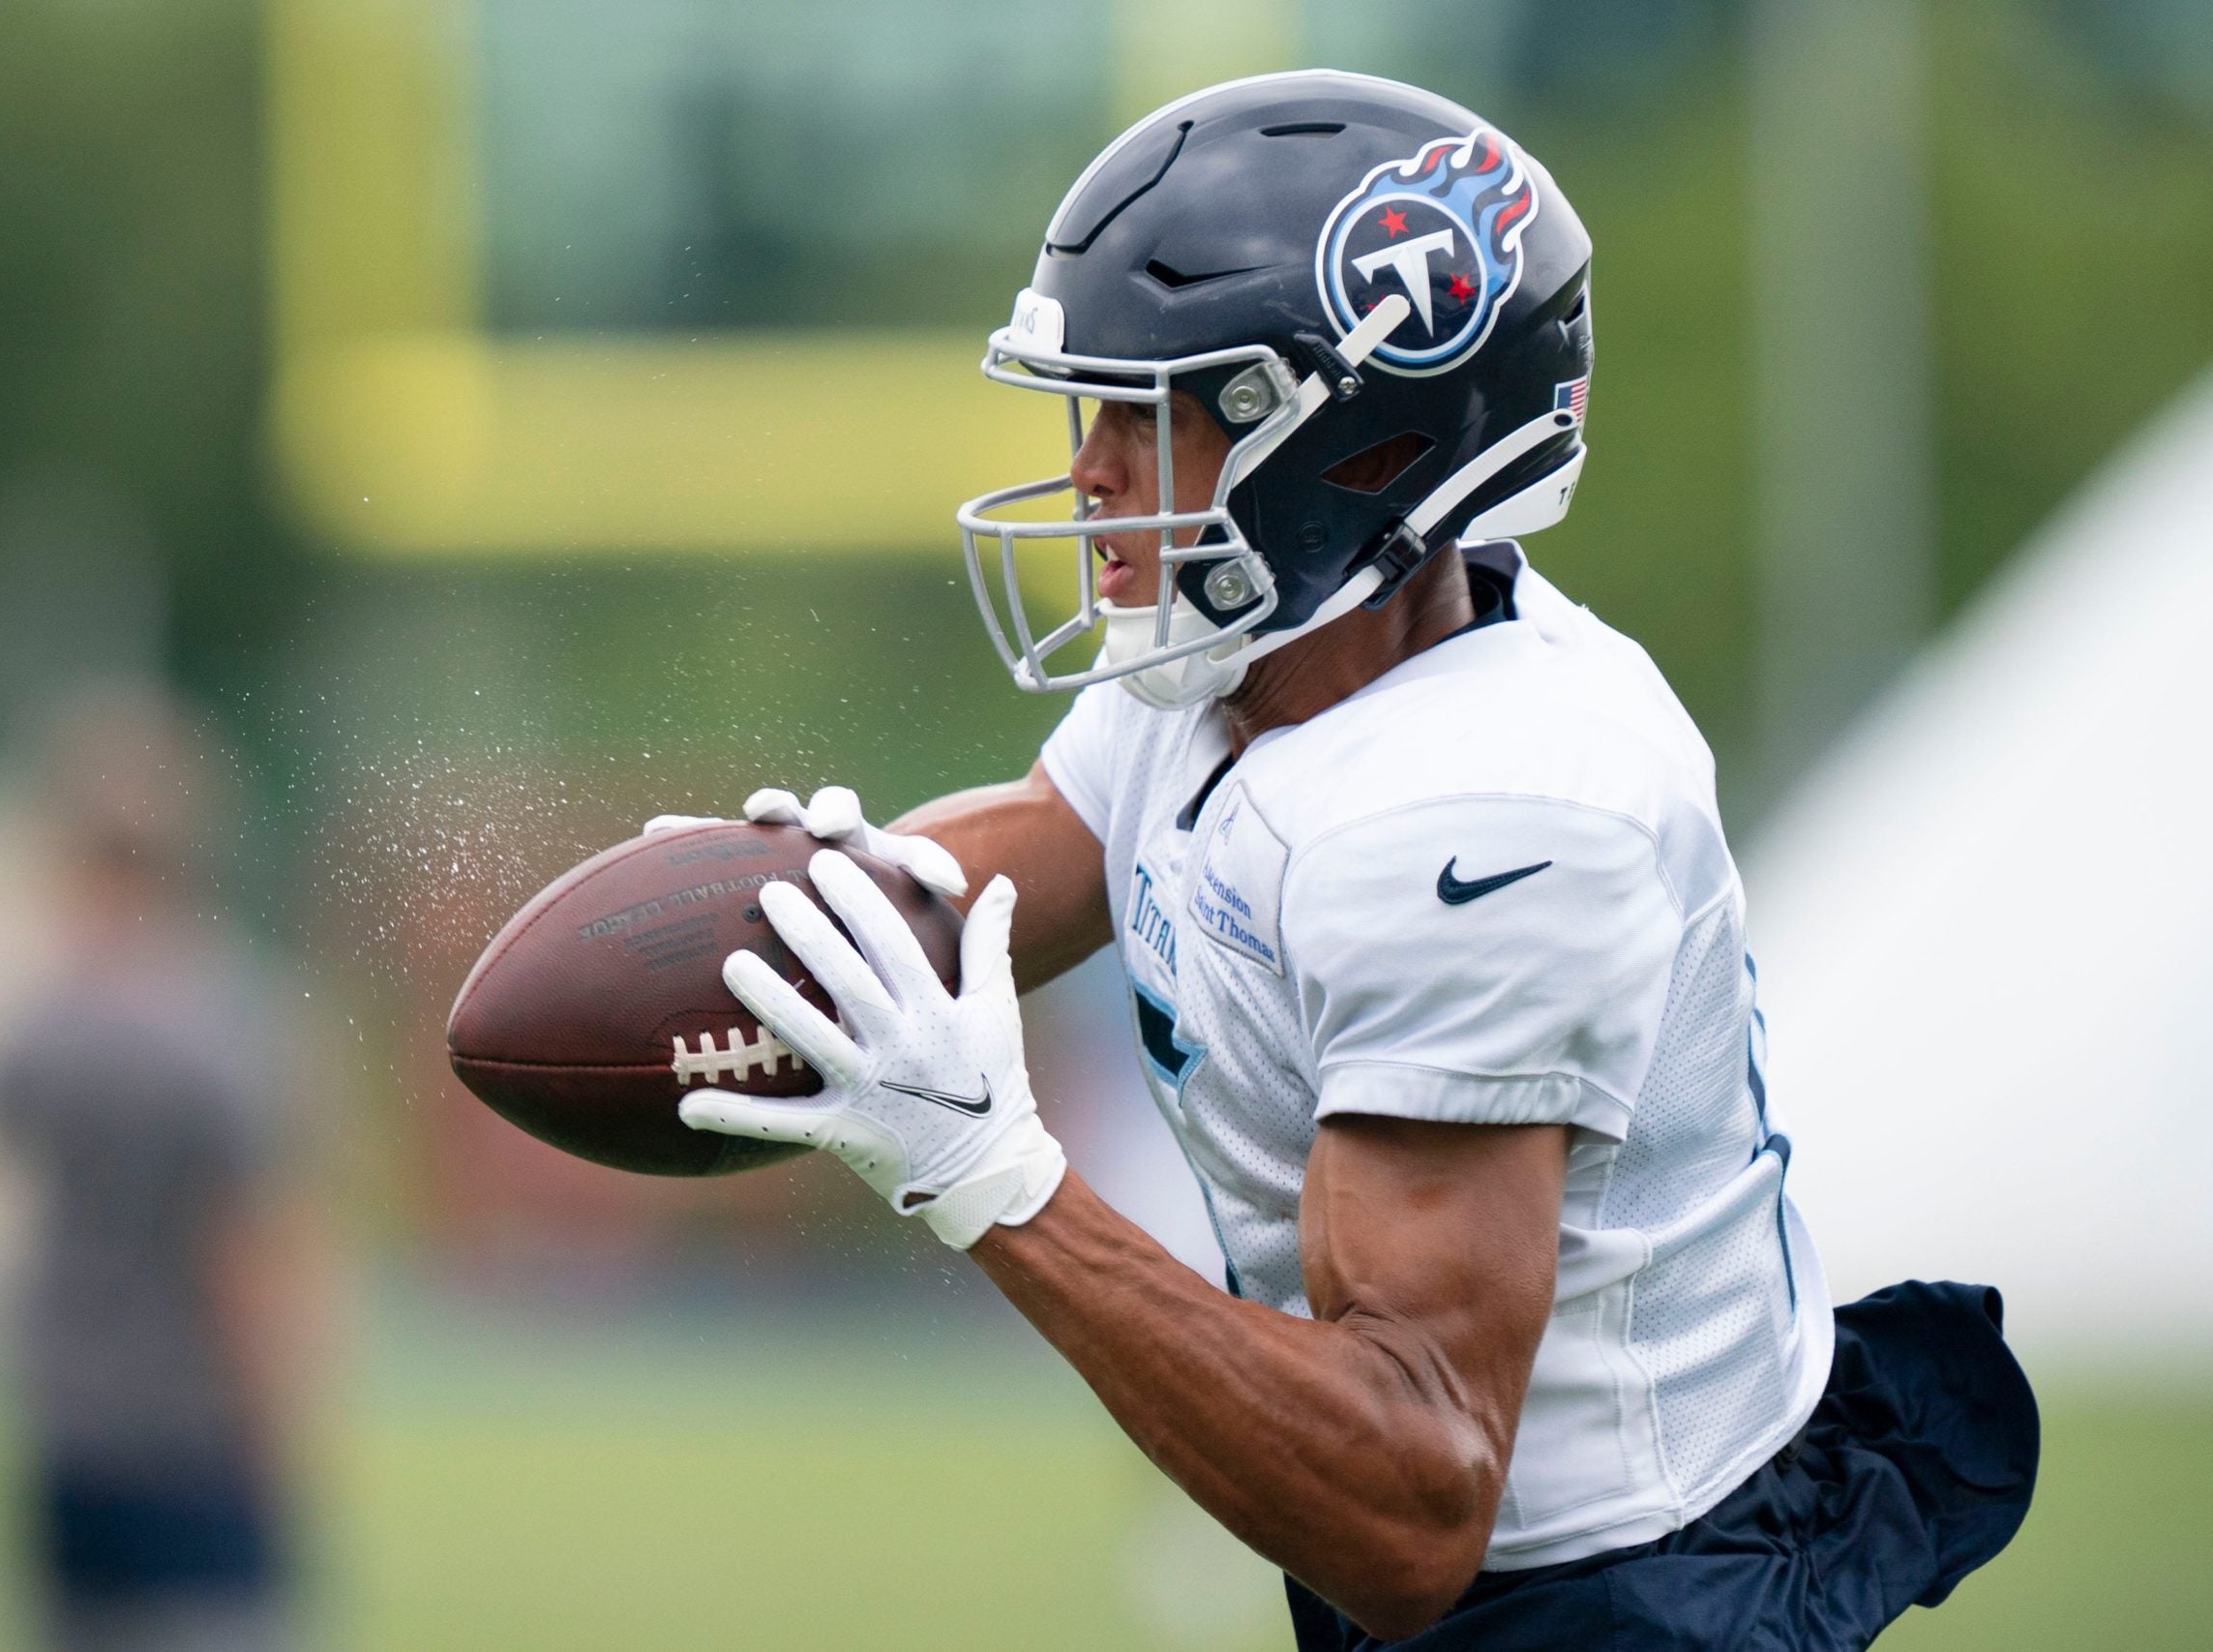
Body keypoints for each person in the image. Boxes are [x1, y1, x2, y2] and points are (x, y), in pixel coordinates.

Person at [646, 73, 2038, 1649]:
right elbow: (1046, 849)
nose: (1090, 468)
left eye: (1148, 412)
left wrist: (990, 1173)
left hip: (1623, 1601)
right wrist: (764, 914)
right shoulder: (1259, 648)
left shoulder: (1495, 815)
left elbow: (1414, 1498)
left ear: (1347, 449)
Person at [0, 701, 320, 1652]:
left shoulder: (44, 1025)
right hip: (194, 1443)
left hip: (68, 1431)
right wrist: (284, 1439)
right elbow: (248, 1249)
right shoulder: (229, 1026)